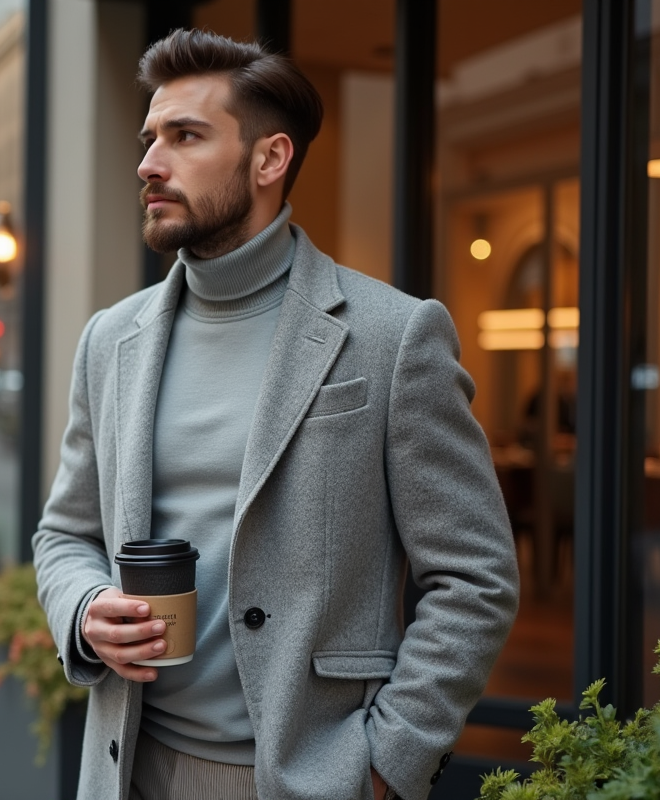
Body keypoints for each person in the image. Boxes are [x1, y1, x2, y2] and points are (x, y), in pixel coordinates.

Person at [32, 30, 520, 800]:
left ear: (269, 159)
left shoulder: (394, 335)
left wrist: (387, 761)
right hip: (129, 768)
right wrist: (86, 608)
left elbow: (475, 576)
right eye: (149, 138)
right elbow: (66, 534)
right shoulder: (109, 340)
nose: (149, 163)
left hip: (309, 777)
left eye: (185, 136)